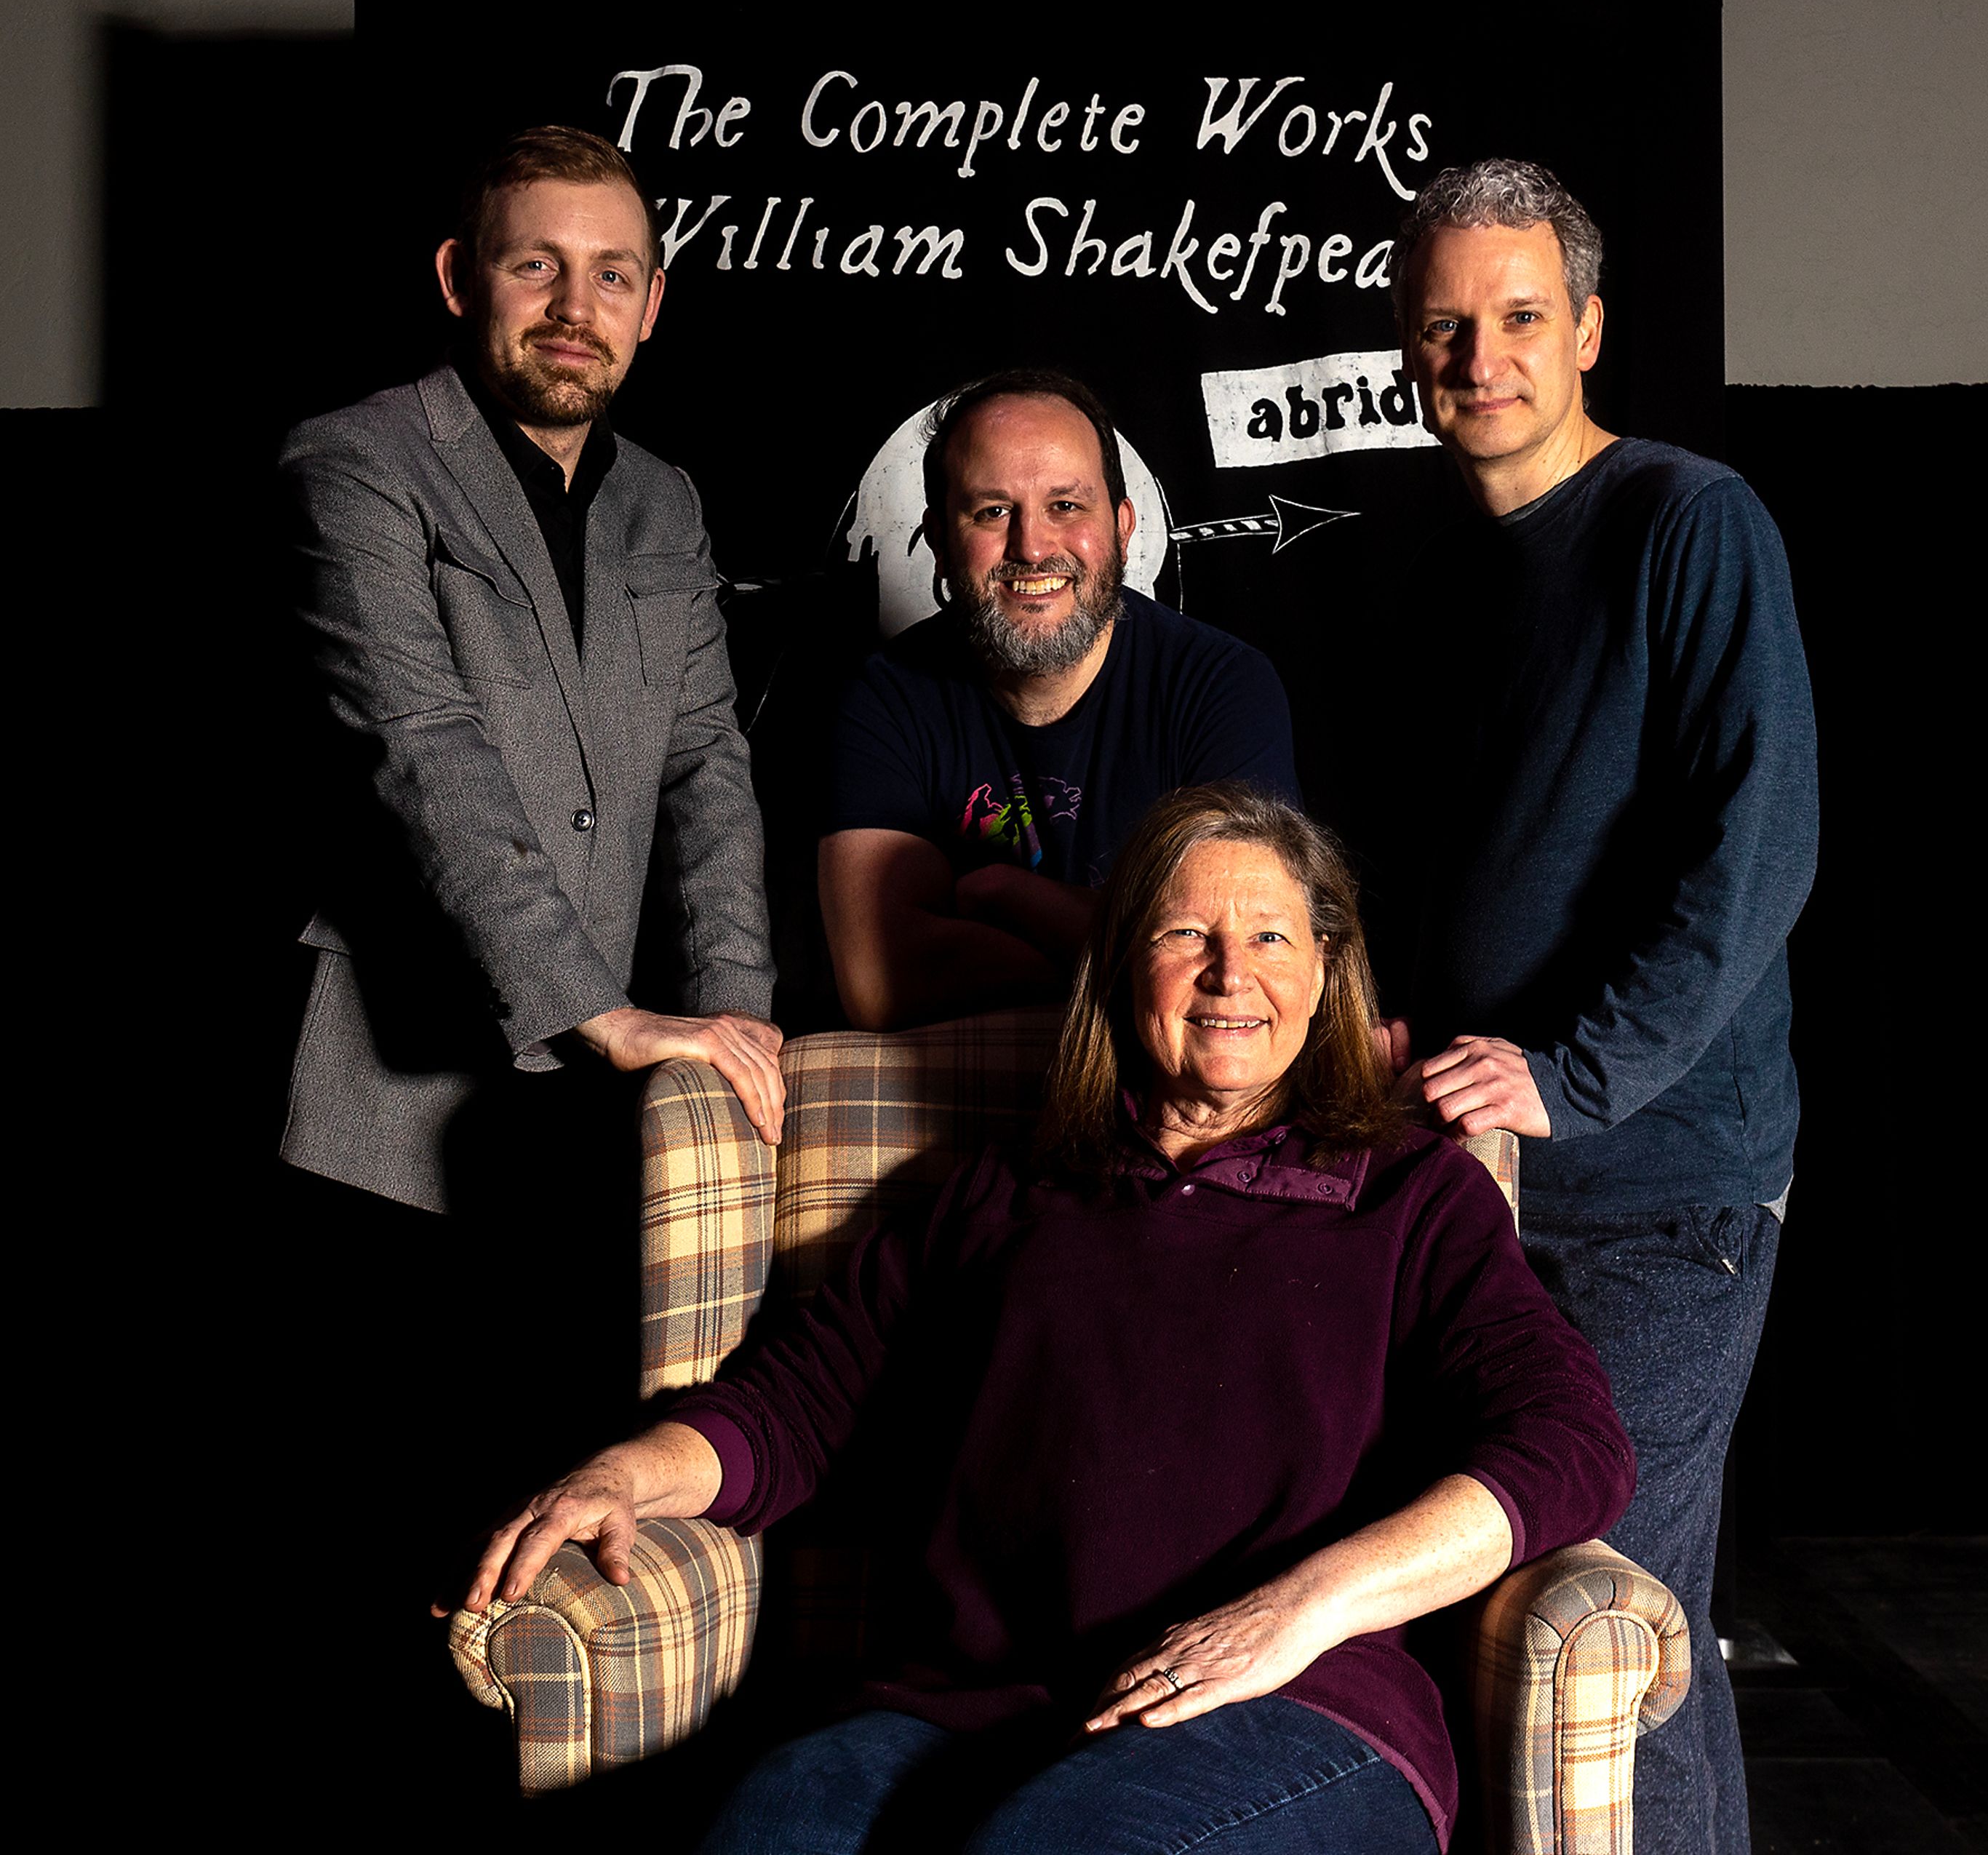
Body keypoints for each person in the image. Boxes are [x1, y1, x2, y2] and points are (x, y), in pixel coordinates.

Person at [458, 783, 1633, 1854]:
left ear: (1328, 968)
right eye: (1187, 935)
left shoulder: (1410, 1193)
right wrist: (624, 1473)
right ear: (1123, 966)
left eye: (1271, 935)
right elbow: (796, 1407)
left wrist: (1298, 1611)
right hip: (965, 1699)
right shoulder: (1001, 1191)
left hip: (1290, 1705)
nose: (1232, 974)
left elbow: (1571, 1444)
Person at [1379, 159, 1821, 1855]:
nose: (1475, 352)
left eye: (1514, 316)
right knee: (1594, 1630)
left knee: (1607, 1589)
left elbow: (1756, 840)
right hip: (1482, 1185)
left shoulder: (1684, 521)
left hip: (1660, 1187)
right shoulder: (1455, 573)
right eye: (1442, 322)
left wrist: (1577, 1071)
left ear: (1585, 334)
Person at [279, 126, 784, 1218]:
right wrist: (600, 1012)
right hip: (384, 1098)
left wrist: (735, 1022)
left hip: (603, 1108)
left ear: (652, 305)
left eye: (612, 275)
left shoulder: (667, 499)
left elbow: (707, 765)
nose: (575, 307)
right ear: (462, 279)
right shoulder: (356, 462)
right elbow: (422, 746)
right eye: (536, 265)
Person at [818, 370, 1300, 1030]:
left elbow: (1245, 968)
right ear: (937, 539)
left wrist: (1006, 895)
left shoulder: (1221, 686)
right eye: (992, 511)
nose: (1033, 546)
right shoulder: (884, 700)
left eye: (1066, 506)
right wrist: (1141, 954)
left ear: (1124, 526)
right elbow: (882, 984)